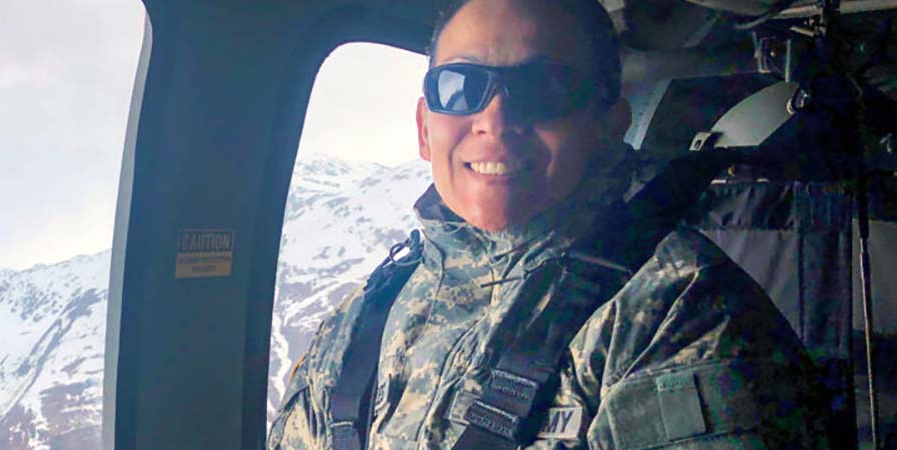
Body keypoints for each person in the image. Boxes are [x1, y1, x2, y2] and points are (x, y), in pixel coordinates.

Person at [266, 0, 829, 448]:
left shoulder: (678, 314)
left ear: (609, 125)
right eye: (461, 87)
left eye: (545, 88)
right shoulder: (367, 314)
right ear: (424, 127)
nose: (495, 119)